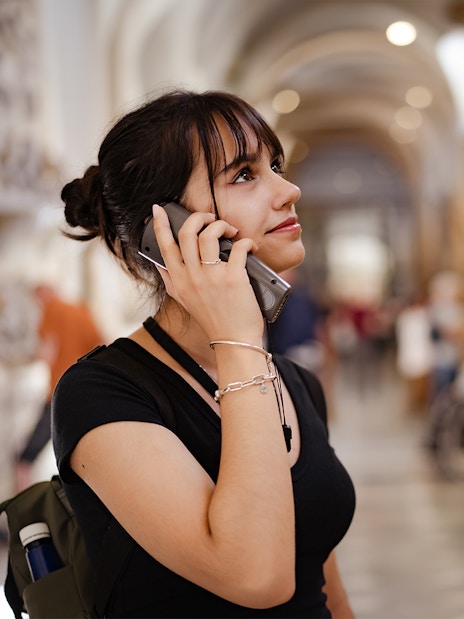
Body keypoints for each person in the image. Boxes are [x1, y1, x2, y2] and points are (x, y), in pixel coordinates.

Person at [52, 90, 356, 618]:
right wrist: (238, 338)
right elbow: (257, 576)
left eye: (275, 165)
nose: (289, 190)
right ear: (162, 228)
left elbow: (321, 582)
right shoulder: (101, 394)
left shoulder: (294, 383)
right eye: (244, 174)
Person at [15, 284, 103, 490]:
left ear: (42, 294)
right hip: (83, 389)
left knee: (27, 455)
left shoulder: (51, 310)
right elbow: (100, 342)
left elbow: (48, 351)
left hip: (59, 390)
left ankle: (19, 499)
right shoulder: (80, 309)